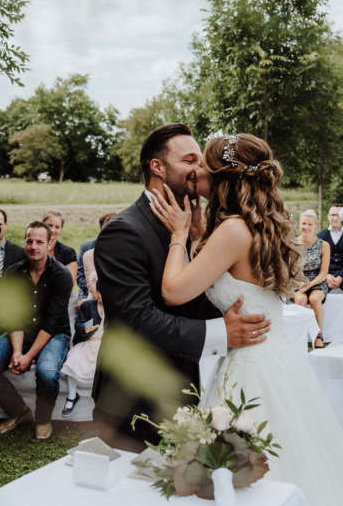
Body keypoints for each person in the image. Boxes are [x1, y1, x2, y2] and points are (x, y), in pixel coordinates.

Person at [148, 133, 343, 506]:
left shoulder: (234, 231)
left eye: (203, 164)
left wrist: (178, 234)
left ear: (223, 179)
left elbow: (173, 290)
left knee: (252, 473)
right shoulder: (254, 225)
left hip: (252, 367)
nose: (197, 171)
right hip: (276, 357)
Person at [92, 123, 270, 452]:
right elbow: (136, 320)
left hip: (185, 390)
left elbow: (197, 298)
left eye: (201, 162)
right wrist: (221, 334)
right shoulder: (123, 232)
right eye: (189, 160)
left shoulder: (195, 224)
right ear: (157, 167)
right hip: (132, 399)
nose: (198, 170)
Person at [0, 221, 72, 440]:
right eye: (29, 241)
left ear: (49, 244)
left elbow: (51, 323)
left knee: (46, 372)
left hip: (54, 333)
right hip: (21, 331)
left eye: (39, 241)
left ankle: (43, 419)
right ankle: (19, 412)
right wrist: (17, 352)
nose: (33, 246)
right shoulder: (13, 273)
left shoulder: (62, 275)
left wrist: (28, 357)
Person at [59, 260, 104, 416]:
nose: (102, 298)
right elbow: (79, 326)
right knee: (73, 361)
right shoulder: (88, 306)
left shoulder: (115, 308)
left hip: (105, 346)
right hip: (88, 343)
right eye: (99, 294)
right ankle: (72, 395)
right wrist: (87, 328)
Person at [291, 209, 332, 349]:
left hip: (317, 282)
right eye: (303, 223)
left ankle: (318, 336)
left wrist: (308, 286)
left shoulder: (324, 245)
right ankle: (299, 336)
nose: (306, 227)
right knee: (300, 299)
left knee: (314, 299)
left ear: (315, 226)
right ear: (299, 225)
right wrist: (299, 284)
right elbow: (289, 271)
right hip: (298, 281)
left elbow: (323, 274)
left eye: (310, 224)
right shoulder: (293, 244)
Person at [76, 212, 115, 297]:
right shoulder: (87, 248)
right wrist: (95, 292)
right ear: (101, 228)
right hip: (88, 292)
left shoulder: (124, 249)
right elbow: (80, 277)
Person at [317, 204, 343, 295]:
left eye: (338, 215)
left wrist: (340, 277)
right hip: (326, 275)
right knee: (317, 293)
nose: (335, 218)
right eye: (333, 215)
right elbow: (317, 259)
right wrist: (327, 275)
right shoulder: (321, 236)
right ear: (328, 217)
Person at [43, 209, 78, 284]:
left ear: (61, 229)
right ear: (42, 225)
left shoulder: (68, 252)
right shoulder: (32, 248)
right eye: (50, 225)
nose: (52, 230)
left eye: (57, 227)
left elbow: (69, 284)